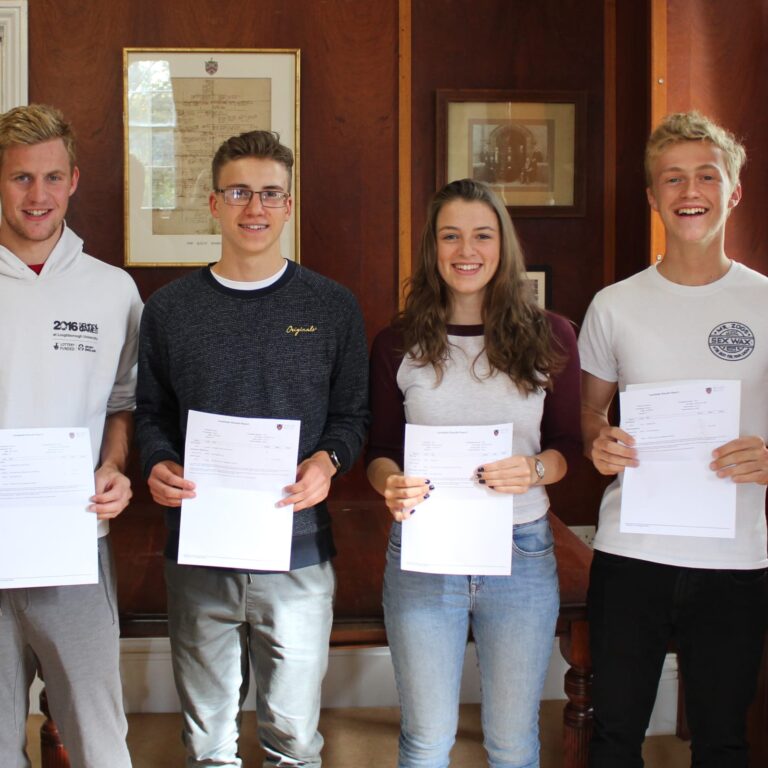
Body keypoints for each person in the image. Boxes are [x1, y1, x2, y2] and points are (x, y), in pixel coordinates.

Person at [135, 130, 369, 768]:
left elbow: (352, 416)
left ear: (289, 205)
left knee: (292, 740)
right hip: (200, 549)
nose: (254, 207)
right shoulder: (169, 310)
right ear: (214, 204)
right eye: (238, 192)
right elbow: (150, 413)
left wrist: (328, 461)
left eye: (270, 193)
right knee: (208, 742)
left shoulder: (332, 306)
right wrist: (156, 462)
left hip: (297, 553)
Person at [366, 178, 581, 768]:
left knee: (512, 741)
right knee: (425, 738)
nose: (467, 250)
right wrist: (389, 482)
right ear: (432, 248)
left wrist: (535, 469)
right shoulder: (397, 343)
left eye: (482, 235)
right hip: (425, 550)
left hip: (520, 550)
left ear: (503, 244)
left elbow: (567, 446)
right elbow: (379, 450)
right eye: (450, 236)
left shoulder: (552, 333)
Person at [579, 111, 768, 767]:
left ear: (733, 191)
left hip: (735, 558)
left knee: (722, 741)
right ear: (652, 196)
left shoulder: (765, 301)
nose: (691, 191)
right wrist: (600, 443)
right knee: (614, 737)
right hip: (631, 552)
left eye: (707, 176)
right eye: (673, 178)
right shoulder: (614, 305)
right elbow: (591, 414)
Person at [0, 104, 140, 767]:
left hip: (74, 544)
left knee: (97, 742)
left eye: (52, 177)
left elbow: (123, 402)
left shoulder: (112, 291)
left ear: (74, 180)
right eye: (21, 177)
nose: (38, 195)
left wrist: (114, 466)